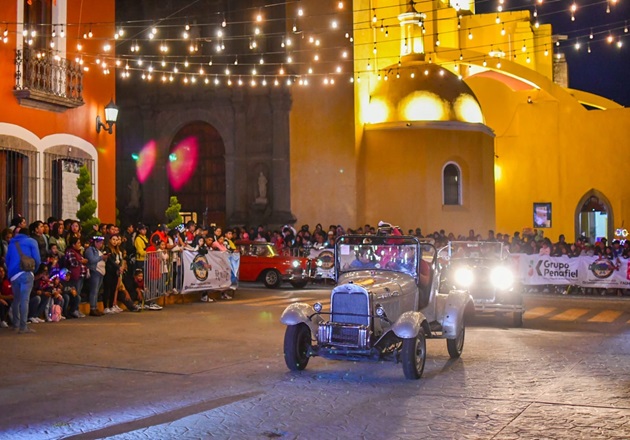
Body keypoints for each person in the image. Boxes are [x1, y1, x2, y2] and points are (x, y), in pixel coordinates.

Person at [6, 227, 41, 333]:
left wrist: (12, 271)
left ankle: (15, 325)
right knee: (24, 300)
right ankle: (23, 326)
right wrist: (34, 270)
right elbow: (37, 259)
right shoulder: (32, 241)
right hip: (26, 272)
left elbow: (7, 259)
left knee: (16, 300)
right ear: (28, 234)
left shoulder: (12, 243)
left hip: (13, 275)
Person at [85, 236, 107, 316]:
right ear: (95, 242)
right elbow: (92, 260)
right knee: (93, 291)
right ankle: (92, 308)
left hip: (100, 272)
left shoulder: (98, 250)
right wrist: (101, 257)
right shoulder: (90, 250)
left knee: (97, 291)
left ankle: (95, 307)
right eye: (100, 243)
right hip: (95, 271)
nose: (101, 245)